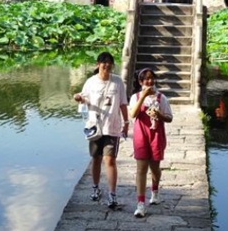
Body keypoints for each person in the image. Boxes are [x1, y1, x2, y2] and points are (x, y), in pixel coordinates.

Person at [73, 52, 129, 209]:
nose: (107, 65)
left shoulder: (117, 82)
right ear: (98, 64)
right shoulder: (90, 82)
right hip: (95, 127)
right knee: (96, 158)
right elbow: (84, 98)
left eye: (110, 62)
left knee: (109, 160)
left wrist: (126, 122)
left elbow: (123, 103)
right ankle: (96, 188)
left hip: (112, 127)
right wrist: (79, 98)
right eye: (104, 62)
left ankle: (112, 194)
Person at [128, 68, 173, 218]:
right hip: (141, 135)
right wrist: (143, 96)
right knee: (141, 169)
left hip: (156, 135)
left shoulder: (161, 98)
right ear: (141, 82)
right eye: (146, 79)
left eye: (152, 78)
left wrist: (159, 115)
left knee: (155, 167)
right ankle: (141, 204)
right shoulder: (135, 97)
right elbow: (133, 114)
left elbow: (169, 118)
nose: (150, 81)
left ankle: (155, 191)